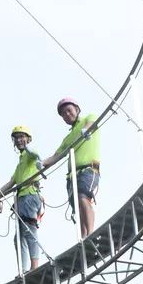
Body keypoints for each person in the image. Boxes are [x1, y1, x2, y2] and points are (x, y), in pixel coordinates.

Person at [42, 97, 100, 237]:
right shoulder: (67, 139)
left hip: (88, 169)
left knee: (83, 197)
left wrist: (86, 130)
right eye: (63, 114)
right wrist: (41, 164)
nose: (67, 114)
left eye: (69, 110)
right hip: (72, 175)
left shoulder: (88, 118)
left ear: (77, 109)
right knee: (77, 206)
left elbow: (92, 123)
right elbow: (56, 156)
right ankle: (84, 237)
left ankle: (90, 234)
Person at [0, 124, 44, 273]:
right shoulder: (20, 164)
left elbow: (36, 155)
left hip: (30, 195)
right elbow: (10, 183)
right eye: (16, 138)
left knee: (29, 230)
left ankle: (34, 266)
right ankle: (22, 270)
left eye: (22, 137)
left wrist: (28, 147)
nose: (19, 140)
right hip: (21, 198)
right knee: (19, 237)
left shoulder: (29, 155)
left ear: (28, 139)